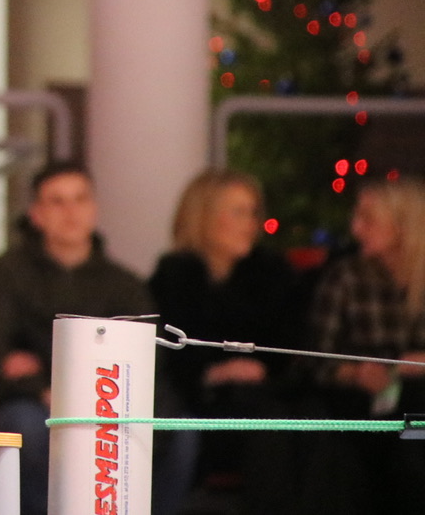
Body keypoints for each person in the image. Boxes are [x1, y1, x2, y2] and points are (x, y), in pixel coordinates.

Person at [0, 160, 194, 515]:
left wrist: (86, 394)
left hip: (113, 402)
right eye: (57, 201)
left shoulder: (124, 284)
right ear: (36, 214)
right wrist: (46, 390)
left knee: (180, 433)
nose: (70, 211)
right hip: (32, 402)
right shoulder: (3, 274)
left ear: (94, 209)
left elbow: (148, 358)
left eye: (80, 199)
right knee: (26, 426)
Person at [148, 168, 304, 514]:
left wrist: (260, 369)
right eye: (238, 212)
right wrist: (214, 373)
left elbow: (287, 347)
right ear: (203, 216)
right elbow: (169, 359)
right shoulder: (174, 277)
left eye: (253, 212)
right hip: (199, 402)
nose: (250, 224)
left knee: (299, 419)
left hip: (267, 394)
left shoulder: (272, 276)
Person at [301, 176, 425, 513]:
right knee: (402, 449)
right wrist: (356, 373)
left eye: (368, 219)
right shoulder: (346, 277)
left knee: (414, 436)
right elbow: (315, 361)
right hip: (362, 404)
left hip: (416, 403)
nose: (356, 229)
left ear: (402, 225)